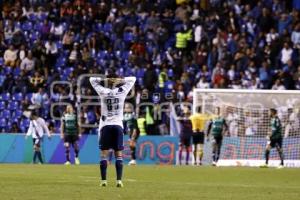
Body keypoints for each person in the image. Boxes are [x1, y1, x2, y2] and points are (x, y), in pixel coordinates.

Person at [90, 74, 136, 187]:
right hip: (118, 125)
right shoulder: (122, 91)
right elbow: (133, 79)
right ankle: (119, 181)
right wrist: (120, 80)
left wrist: (105, 80)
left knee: (104, 155)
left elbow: (92, 80)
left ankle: (103, 181)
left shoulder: (103, 92)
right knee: (118, 154)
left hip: (105, 125)